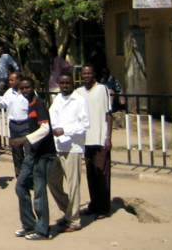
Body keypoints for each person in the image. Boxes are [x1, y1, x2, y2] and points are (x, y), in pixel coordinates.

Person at [11, 77, 58, 241]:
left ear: (34, 87)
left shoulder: (39, 103)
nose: (25, 91)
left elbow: (45, 128)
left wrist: (23, 139)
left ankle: (43, 230)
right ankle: (29, 225)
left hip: (43, 154)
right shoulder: (30, 103)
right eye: (22, 88)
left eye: (27, 88)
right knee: (21, 185)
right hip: (33, 153)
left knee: (39, 191)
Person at [48, 72, 89, 233]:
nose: (65, 86)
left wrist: (65, 130)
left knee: (73, 185)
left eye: (68, 83)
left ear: (72, 83)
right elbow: (51, 119)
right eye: (62, 83)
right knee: (52, 180)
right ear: (58, 83)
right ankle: (68, 211)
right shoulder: (57, 100)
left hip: (73, 147)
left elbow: (85, 124)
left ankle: (74, 221)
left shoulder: (79, 101)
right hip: (57, 147)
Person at [76, 64, 113, 220]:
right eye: (84, 73)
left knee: (101, 172)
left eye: (89, 73)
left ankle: (104, 207)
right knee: (90, 173)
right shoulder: (78, 93)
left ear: (94, 74)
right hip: (85, 139)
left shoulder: (102, 89)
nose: (86, 76)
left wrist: (108, 136)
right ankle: (93, 204)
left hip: (99, 138)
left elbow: (108, 114)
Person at [0, 71, 28, 177]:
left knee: (29, 152)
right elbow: (3, 103)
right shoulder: (9, 92)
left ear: (19, 80)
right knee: (17, 152)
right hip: (14, 125)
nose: (10, 82)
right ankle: (20, 176)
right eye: (9, 80)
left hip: (26, 125)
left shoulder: (27, 91)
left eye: (12, 80)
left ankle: (30, 176)